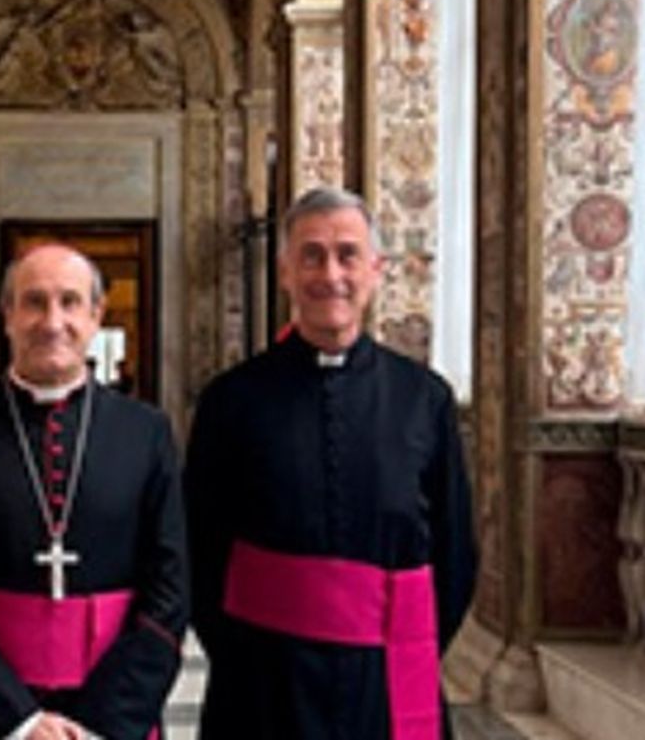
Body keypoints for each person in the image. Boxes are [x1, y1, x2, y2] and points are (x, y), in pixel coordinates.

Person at [184, 187, 478, 740]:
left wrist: (400, 641)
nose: (331, 274)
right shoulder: (231, 399)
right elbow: (200, 548)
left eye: (347, 254)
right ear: (285, 272)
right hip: (263, 676)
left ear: (375, 269)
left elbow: (455, 550)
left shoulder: (424, 398)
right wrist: (247, 652)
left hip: (387, 677)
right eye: (312, 255)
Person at [0, 244, 188, 740]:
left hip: (111, 715)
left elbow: (169, 593)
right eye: (34, 302)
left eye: (70, 302)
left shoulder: (146, 434)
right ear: (7, 315)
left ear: (96, 316)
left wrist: (100, 722)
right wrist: (22, 721)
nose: (52, 321)